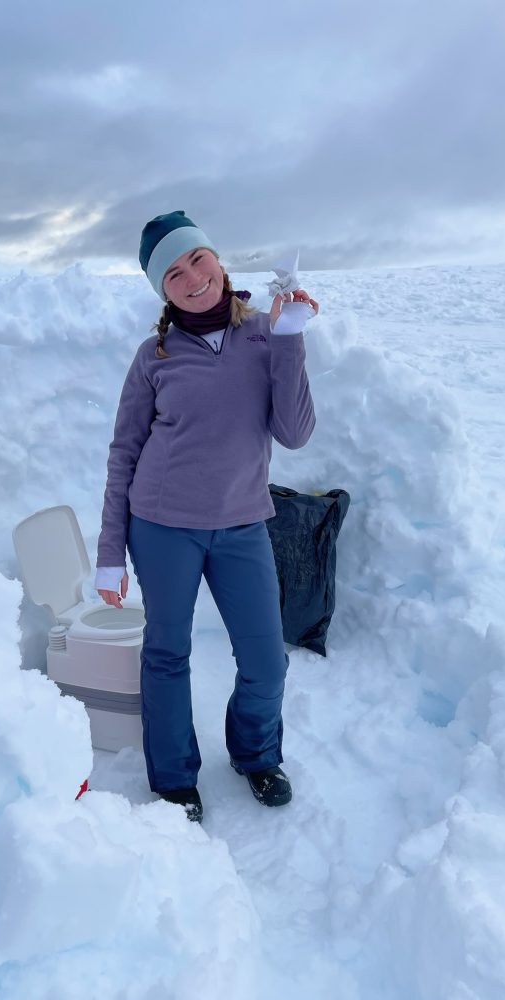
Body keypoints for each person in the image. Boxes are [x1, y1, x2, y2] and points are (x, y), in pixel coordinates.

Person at [94, 211, 318, 823]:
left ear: (217, 259)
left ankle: (255, 754)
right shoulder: (154, 356)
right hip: (162, 526)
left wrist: (291, 336)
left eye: (197, 259)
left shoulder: (263, 336)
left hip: (243, 523)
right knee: (167, 653)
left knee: (267, 658)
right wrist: (110, 553)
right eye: (173, 272)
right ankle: (172, 779)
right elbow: (124, 453)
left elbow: (294, 434)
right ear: (161, 290)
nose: (193, 277)